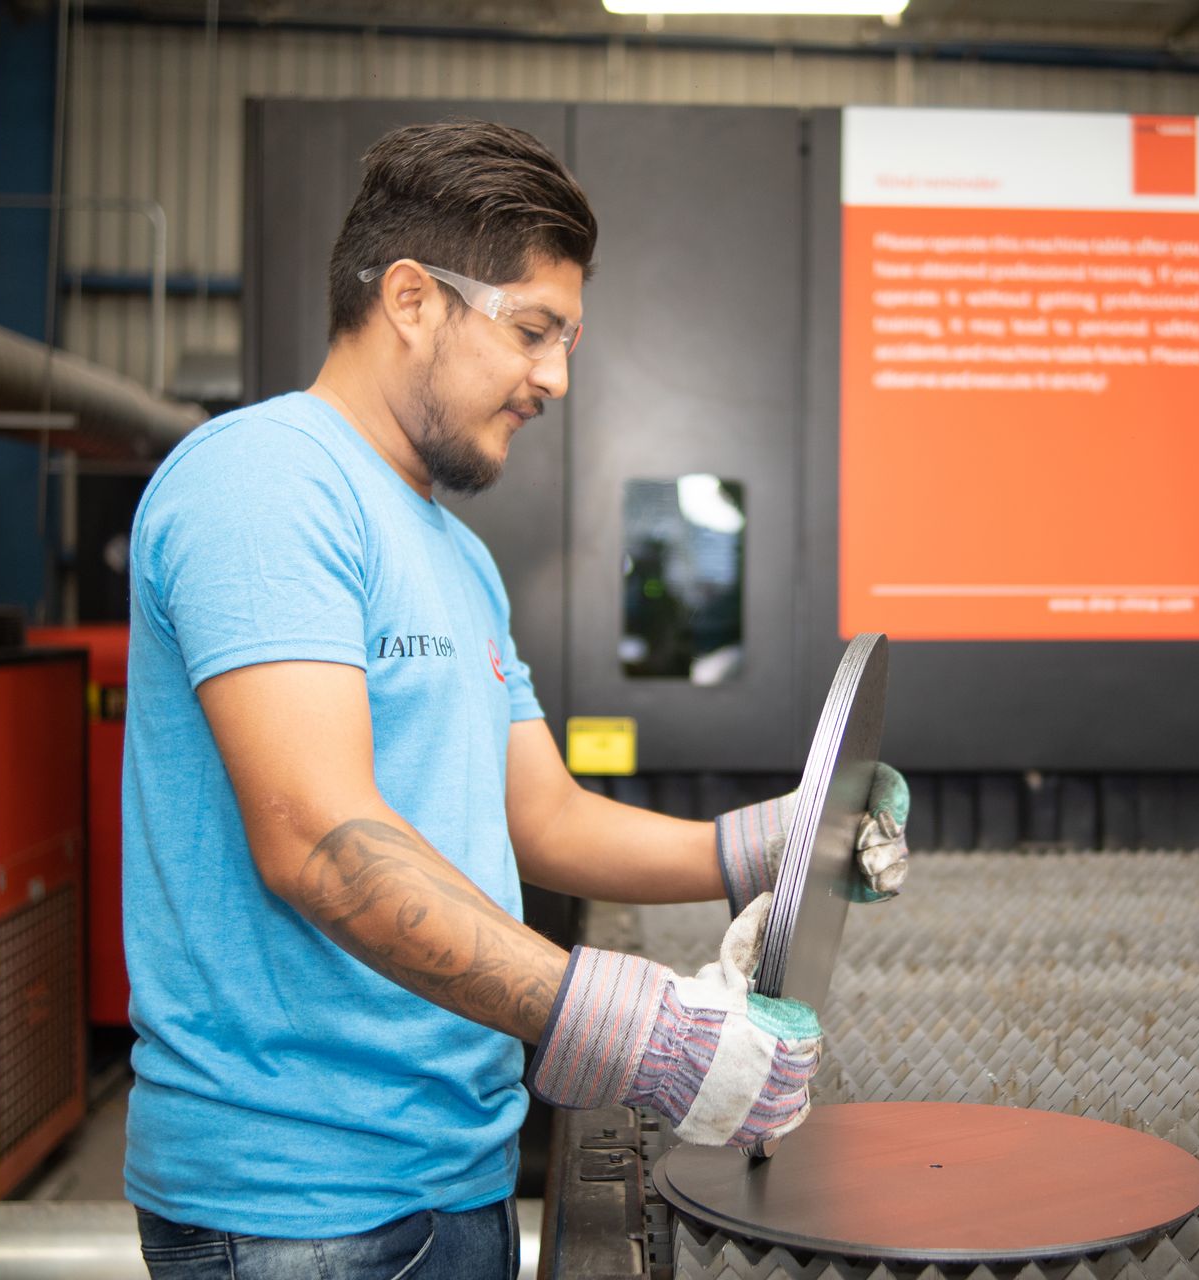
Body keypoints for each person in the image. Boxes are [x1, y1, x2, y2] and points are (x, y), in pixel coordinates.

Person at [120, 120, 912, 1279]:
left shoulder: (455, 555)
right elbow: (320, 841)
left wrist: (775, 846)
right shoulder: (264, 481)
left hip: (460, 1166)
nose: (555, 378)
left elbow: (543, 818)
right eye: (533, 330)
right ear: (411, 299)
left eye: (569, 340)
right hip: (297, 1203)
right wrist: (637, 1029)